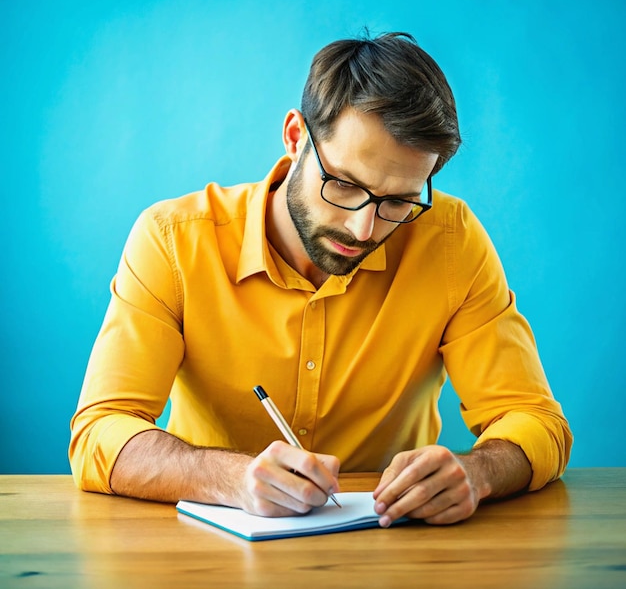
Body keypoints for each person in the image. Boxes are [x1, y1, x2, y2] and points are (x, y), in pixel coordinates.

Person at [69, 31, 572, 527]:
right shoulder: (172, 241)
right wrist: (230, 478)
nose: (363, 227)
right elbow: (100, 431)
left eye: (398, 200)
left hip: (394, 549)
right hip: (211, 555)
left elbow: (537, 422)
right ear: (295, 138)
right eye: (345, 185)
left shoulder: (449, 240)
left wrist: (477, 472)